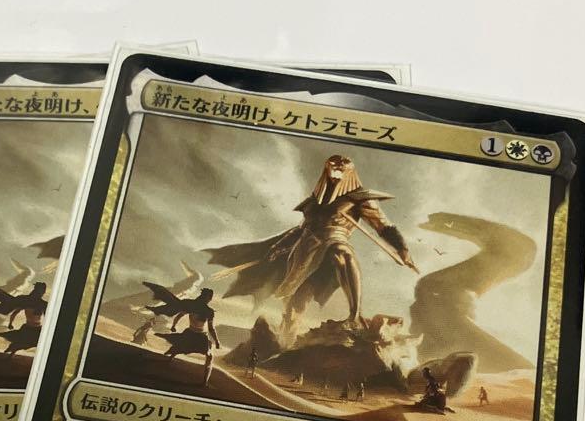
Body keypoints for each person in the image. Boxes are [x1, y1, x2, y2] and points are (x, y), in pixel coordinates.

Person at [206, 155, 416, 339]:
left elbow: (384, 226)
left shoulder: (359, 199)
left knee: (343, 254)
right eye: (332, 169)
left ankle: (355, 315)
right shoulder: (313, 202)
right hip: (305, 250)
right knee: (295, 300)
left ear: (349, 173)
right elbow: (301, 229)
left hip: (335, 238)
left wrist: (402, 249)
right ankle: (286, 339)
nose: (335, 174)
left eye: (340, 170)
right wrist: (278, 247)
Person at [143, 282, 221, 385]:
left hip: (191, 333)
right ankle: (204, 382)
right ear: (208, 298)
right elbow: (211, 329)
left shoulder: (191, 305)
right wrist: (217, 341)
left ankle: (169, 359)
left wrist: (174, 325)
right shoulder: (207, 311)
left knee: (180, 345)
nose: (210, 299)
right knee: (209, 356)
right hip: (199, 336)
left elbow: (179, 315)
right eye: (210, 297)